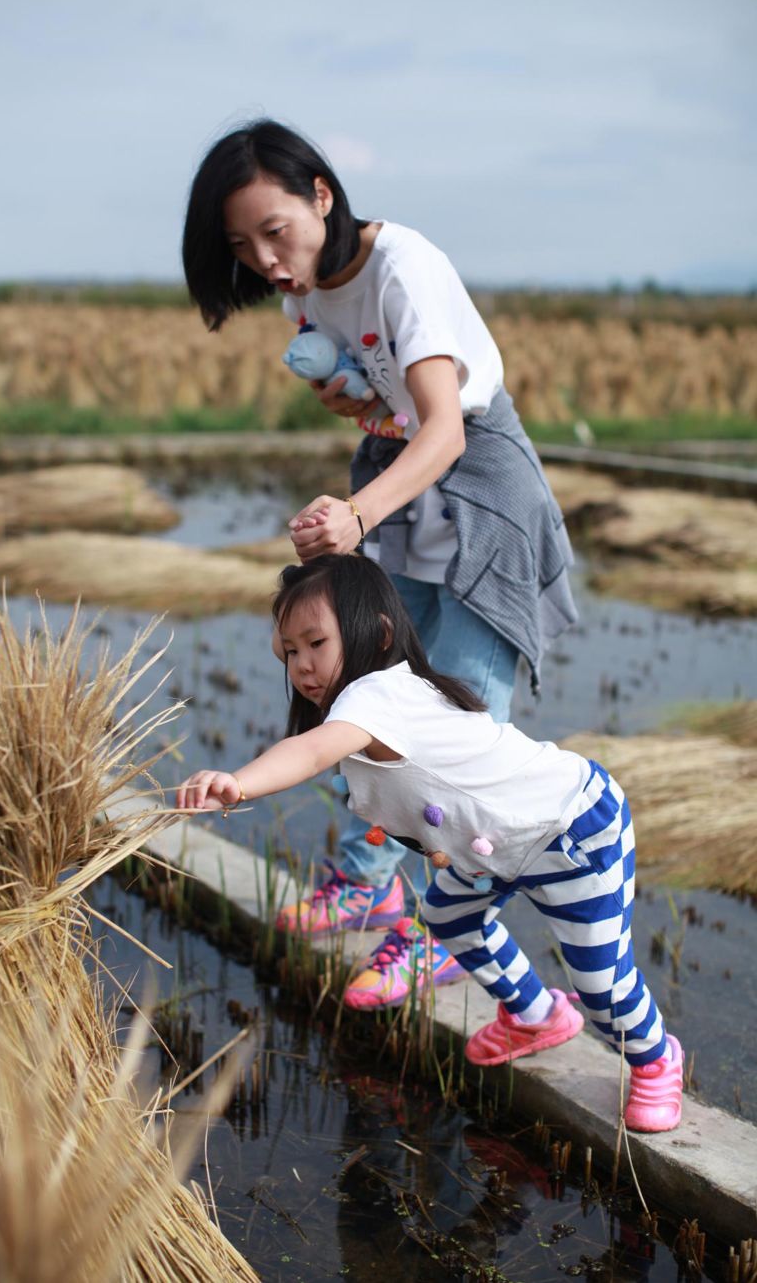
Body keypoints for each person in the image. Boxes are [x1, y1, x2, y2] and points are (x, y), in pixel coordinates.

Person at [182, 117, 578, 1008]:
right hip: (399, 481)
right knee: (361, 687)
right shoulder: (306, 293)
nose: (269, 261)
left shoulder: (404, 268)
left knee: (456, 721)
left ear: (322, 193)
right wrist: (346, 401)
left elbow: (444, 424)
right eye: (243, 247)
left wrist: (357, 513)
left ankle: (439, 925)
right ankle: (365, 878)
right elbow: (389, 406)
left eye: (276, 231)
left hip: (474, 487)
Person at [176, 556, 683, 1134]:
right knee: (446, 914)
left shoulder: (376, 696)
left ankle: (656, 1058)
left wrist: (238, 782)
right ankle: (537, 1015)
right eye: (289, 652)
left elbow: (309, 752)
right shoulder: (370, 705)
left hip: (571, 832)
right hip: (494, 850)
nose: (302, 665)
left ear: (380, 634)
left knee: (601, 986)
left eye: (315, 642)